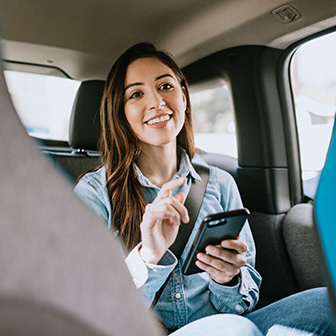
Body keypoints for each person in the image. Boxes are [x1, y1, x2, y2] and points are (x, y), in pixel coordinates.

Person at [74, 42, 336, 335]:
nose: (158, 102)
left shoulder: (220, 184)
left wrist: (229, 280)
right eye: (136, 94)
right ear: (121, 112)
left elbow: (245, 299)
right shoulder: (94, 195)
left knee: (327, 302)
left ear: (183, 97)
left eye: (165, 86)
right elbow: (88, 306)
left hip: (221, 326)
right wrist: (147, 257)